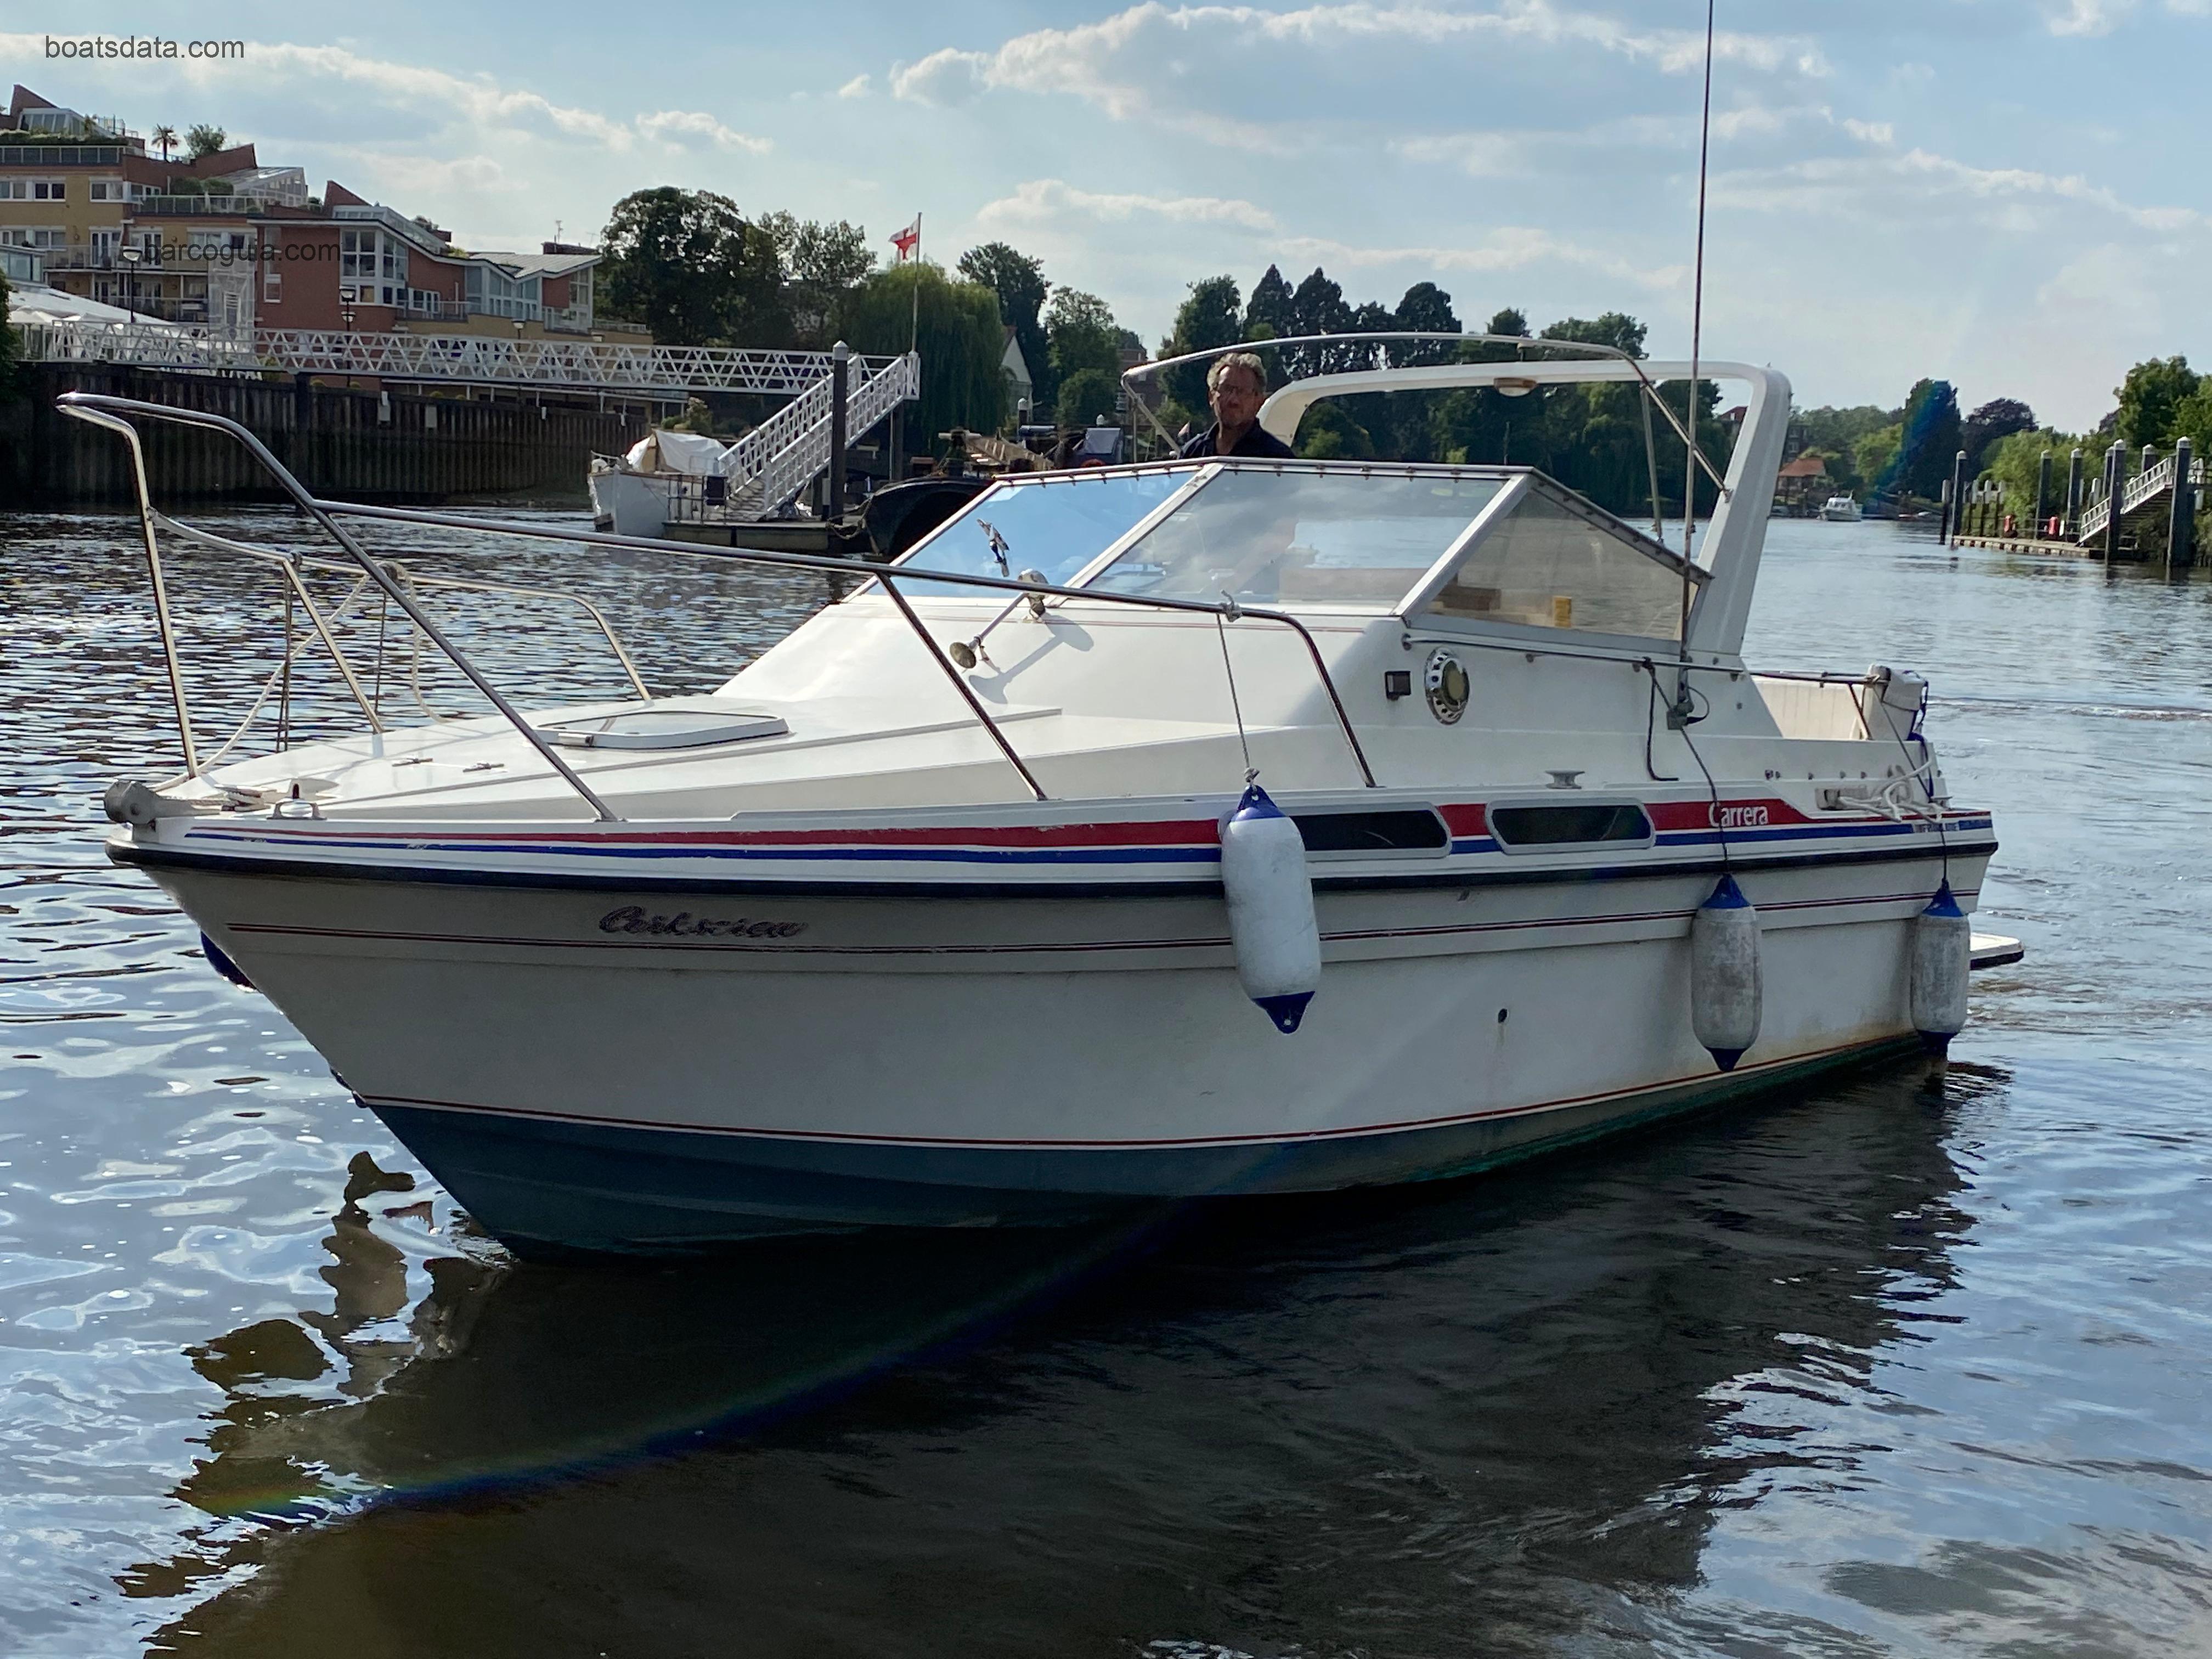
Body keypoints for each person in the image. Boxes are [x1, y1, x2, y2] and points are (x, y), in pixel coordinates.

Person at [1179, 353, 1295, 459]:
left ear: (1259, 401)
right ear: (1211, 397)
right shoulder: (1192, 453)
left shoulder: (1278, 459)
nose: (1234, 400)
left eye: (1243, 392)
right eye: (1227, 389)